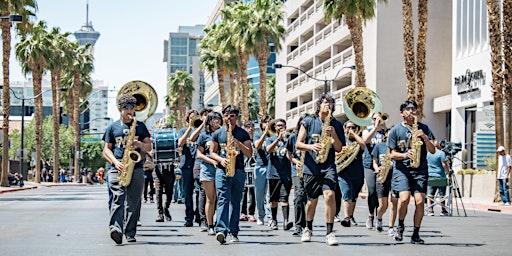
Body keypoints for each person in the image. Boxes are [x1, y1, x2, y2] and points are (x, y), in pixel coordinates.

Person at [102, 94, 152, 244]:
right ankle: (116, 229)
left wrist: (140, 145)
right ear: (120, 109)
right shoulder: (112, 127)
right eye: (127, 108)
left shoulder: (140, 126)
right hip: (116, 167)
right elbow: (106, 150)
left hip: (136, 167)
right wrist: (115, 162)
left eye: (132, 108)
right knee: (118, 198)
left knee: (133, 201)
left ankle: (130, 232)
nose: (130, 111)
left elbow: (149, 147)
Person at [296, 94, 345, 246]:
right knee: (312, 201)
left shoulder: (336, 124)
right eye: (325, 102)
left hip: (328, 166)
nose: (328, 105)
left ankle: (330, 233)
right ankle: (308, 228)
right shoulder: (309, 121)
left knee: (330, 195)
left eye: (330, 103)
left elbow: (339, 148)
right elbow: (298, 144)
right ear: (319, 106)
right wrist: (311, 146)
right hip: (311, 167)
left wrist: (334, 134)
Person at [387, 100, 435, 244]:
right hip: (402, 170)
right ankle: (400, 226)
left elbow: (433, 150)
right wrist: (404, 155)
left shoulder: (424, 128)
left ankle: (416, 233)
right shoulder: (396, 130)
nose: (412, 111)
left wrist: (425, 138)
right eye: (408, 109)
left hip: (420, 170)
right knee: (404, 199)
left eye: (414, 109)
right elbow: (391, 154)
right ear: (402, 113)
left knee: (420, 202)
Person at [209, 105, 253, 244]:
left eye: (232, 115)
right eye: (226, 115)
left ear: (237, 117)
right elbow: (212, 153)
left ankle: (234, 231)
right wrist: (221, 160)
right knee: (222, 199)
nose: (229, 118)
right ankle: (221, 230)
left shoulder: (243, 133)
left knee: (235, 202)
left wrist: (238, 144)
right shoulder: (217, 134)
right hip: (222, 170)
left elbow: (249, 153)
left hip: (238, 170)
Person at [196, 111, 223, 235]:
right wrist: (211, 161)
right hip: (208, 169)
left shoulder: (224, 134)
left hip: (222, 168)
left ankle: (220, 223)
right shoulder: (204, 136)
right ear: (209, 121)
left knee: (220, 198)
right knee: (210, 199)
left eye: (219, 119)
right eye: (214, 119)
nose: (217, 121)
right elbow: (199, 154)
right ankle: (210, 225)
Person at [266, 118, 293, 231]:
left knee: (285, 198)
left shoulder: (289, 140)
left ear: (285, 127)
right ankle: (274, 220)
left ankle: (286, 221)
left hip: (285, 173)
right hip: (273, 174)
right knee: (273, 199)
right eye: (278, 125)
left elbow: (292, 153)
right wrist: (278, 139)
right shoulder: (270, 139)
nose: (280, 127)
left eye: (282, 125)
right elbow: (268, 150)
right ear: (275, 128)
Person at [361, 112, 388, 229]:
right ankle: (371, 215)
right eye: (375, 118)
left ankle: (379, 216)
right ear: (371, 120)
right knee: (372, 191)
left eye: (379, 118)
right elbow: (366, 140)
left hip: (382, 164)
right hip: (369, 164)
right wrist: (375, 127)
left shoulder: (384, 131)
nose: (378, 120)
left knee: (380, 193)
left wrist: (383, 125)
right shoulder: (367, 130)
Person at [337, 121, 365, 228]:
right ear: (344, 129)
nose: (350, 129)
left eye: (353, 127)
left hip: (357, 172)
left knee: (354, 196)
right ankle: (346, 217)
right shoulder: (341, 140)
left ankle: (351, 215)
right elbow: (334, 152)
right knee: (347, 193)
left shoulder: (357, 140)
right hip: (343, 171)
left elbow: (363, 146)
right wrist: (340, 152)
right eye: (348, 127)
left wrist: (355, 135)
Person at [371, 128, 398, 234]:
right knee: (383, 205)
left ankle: (391, 227)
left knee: (393, 203)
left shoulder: (397, 147)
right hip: (382, 176)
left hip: (395, 176)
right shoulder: (379, 146)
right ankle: (379, 218)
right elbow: (374, 162)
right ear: (386, 135)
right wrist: (377, 168)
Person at [287, 113, 309, 236]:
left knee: (308, 197)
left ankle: (307, 225)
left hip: (310, 170)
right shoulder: (292, 137)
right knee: (299, 196)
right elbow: (288, 154)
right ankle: (298, 225)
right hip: (297, 170)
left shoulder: (312, 137)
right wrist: (295, 161)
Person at [177, 110, 200, 227]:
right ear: (187, 119)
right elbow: (180, 143)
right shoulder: (182, 131)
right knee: (187, 193)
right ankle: (189, 217)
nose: (193, 118)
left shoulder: (201, 131)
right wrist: (190, 128)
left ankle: (199, 215)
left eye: (195, 117)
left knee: (200, 192)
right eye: (191, 117)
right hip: (186, 165)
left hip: (198, 165)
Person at [253, 115, 271, 225]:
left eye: (269, 122)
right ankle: (260, 215)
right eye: (265, 122)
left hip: (271, 167)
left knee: (269, 194)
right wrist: (265, 133)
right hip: (260, 166)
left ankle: (270, 216)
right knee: (259, 194)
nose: (267, 124)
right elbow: (257, 146)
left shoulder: (273, 136)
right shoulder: (258, 135)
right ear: (262, 124)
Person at [426, 140, 451, 215]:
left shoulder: (428, 154)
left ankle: (430, 210)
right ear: (439, 145)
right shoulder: (441, 153)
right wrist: (448, 172)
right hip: (440, 176)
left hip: (430, 175)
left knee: (431, 194)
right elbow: (444, 164)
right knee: (442, 194)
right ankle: (443, 210)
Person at [241, 121, 256, 222]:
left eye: (252, 127)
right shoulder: (242, 139)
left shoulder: (256, 139)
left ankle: (251, 213)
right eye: (248, 127)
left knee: (252, 191)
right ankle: (242, 212)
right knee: (243, 190)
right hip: (244, 167)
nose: (250, 129)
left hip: (253, 166)